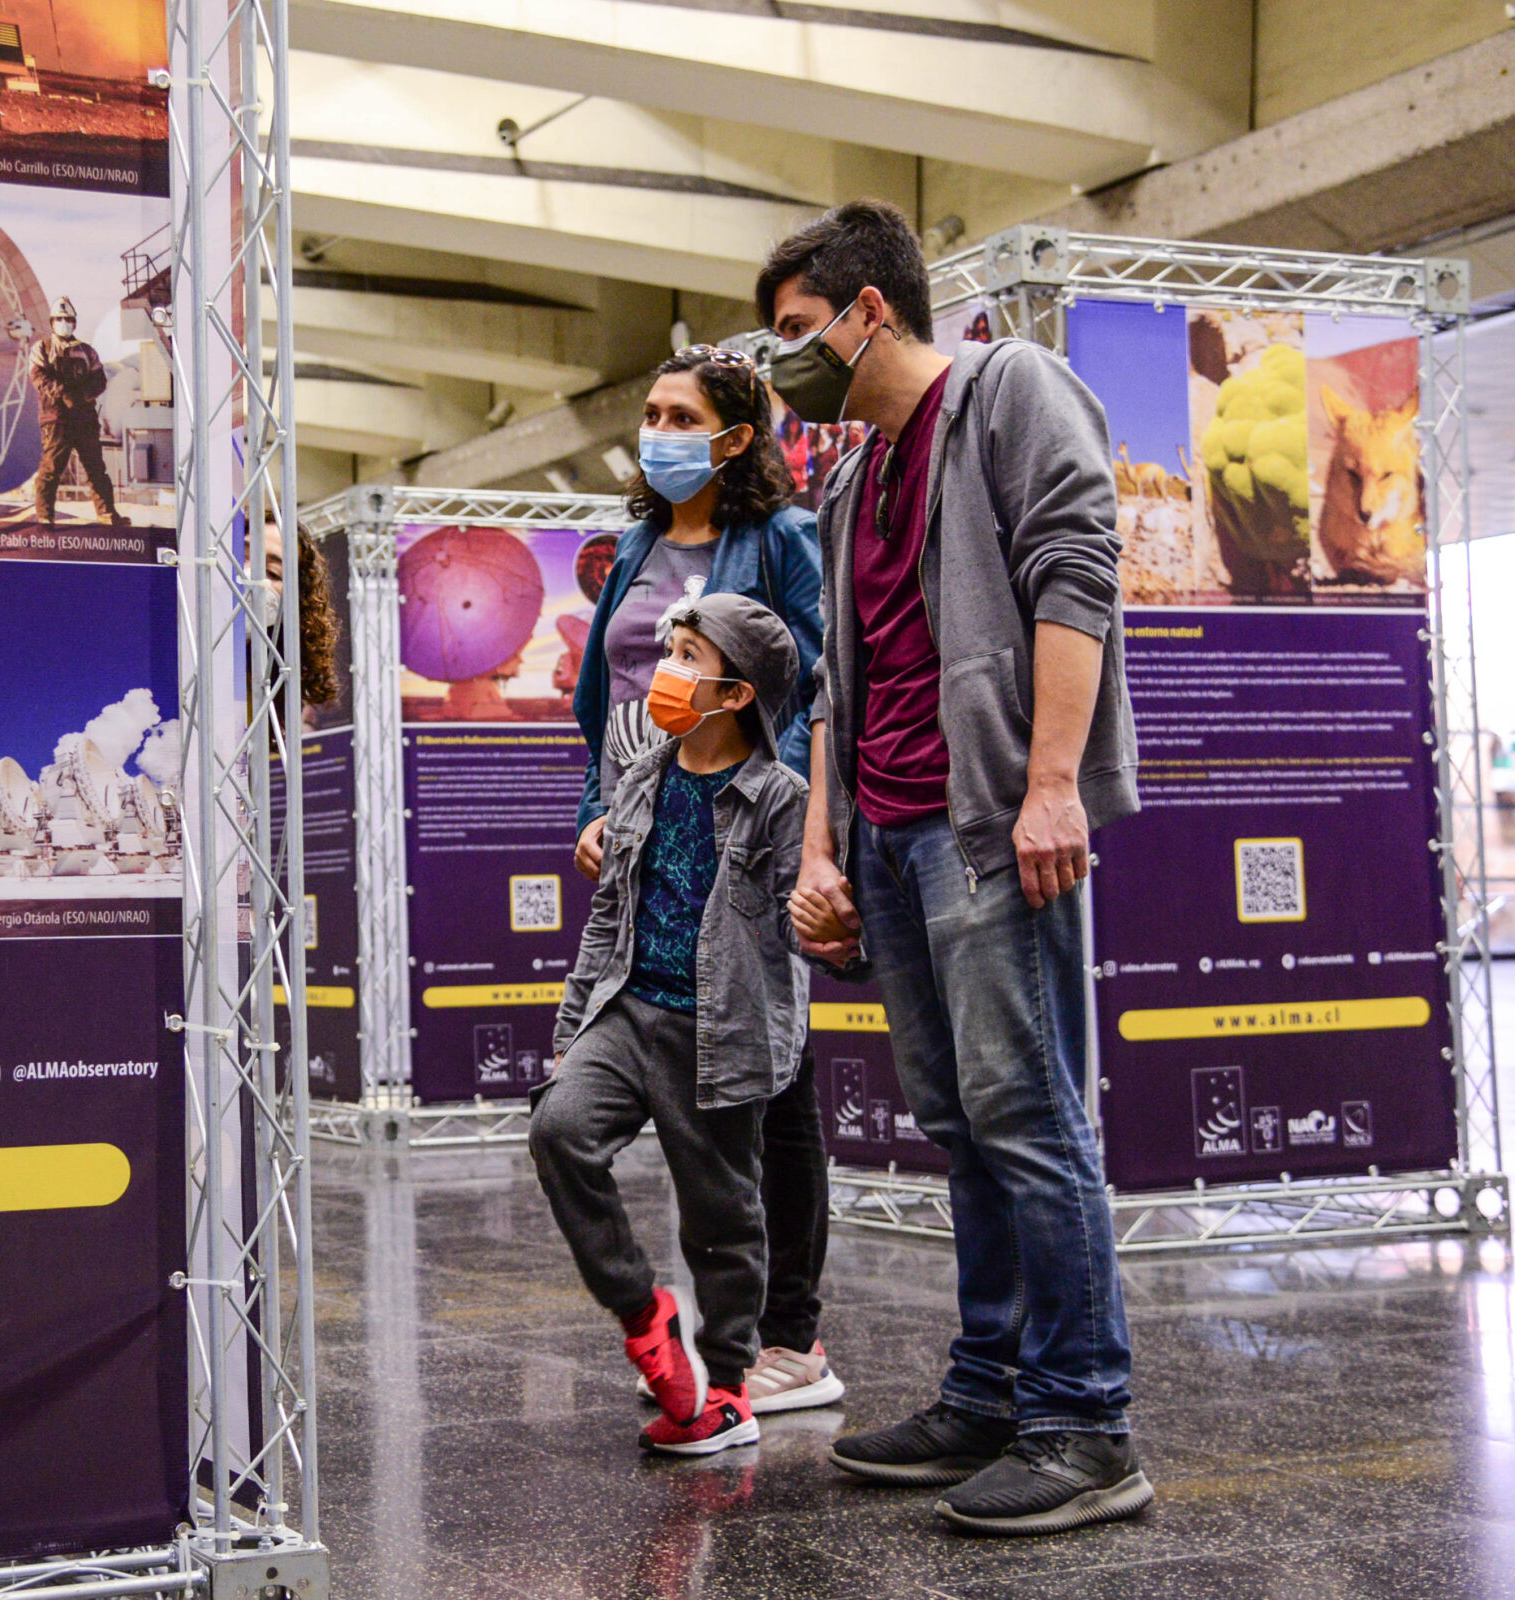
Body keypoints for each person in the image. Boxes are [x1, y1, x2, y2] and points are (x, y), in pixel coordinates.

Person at [757, 199, 1150, 1535]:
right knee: (964, 1122)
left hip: (990, 819)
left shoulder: (1009, 388)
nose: (785, 358)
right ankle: (988, 1391)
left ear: (873, 309)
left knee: (1031, 1114)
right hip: (893, 832)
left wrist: (1052, 786)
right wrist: (824, 848)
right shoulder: (852, 471)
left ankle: (1087, 1423)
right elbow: (831, 689)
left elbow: (1074, 576)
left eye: (800, 330)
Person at [569, 345, 843, 1419]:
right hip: (650, 819)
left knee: (770, 1078)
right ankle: (719, 1329)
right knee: (666, 1053)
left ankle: (792, 1336)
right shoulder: (634, 541)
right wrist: (600, 809)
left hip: (754, 817)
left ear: (735, 437)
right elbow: (606, 695)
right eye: (649, 411)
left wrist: (812, 835)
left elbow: (819, 684)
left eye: (681, 414)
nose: (657, 429)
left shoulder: (779, 538)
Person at [532, 592, 808, 1456]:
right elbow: (611, 915)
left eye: (692, 658)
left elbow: (808, 928)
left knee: (722, 1219)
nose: (667, 672)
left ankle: (724, 1388)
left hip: (718, 1031)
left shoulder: (780, 799)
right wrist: (577, 1021)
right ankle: (644, 1312)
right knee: (559, 1129)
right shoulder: (644, 774)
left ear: (736, 697)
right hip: (627, 1006)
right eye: (672, 650)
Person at [29, 296, 126, 527]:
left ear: (74, 322)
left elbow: (99, 380)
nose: (64, 323)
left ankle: (106, 513)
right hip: (56, 419)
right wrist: (64, 394)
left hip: (84, 418)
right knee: (51, 468)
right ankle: (45, 516)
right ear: (52, 322)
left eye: (68, 319)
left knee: (96, 469)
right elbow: (38, 377)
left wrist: (81, 396)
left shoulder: (87, 351)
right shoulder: (42, 348)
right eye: (60, 319)